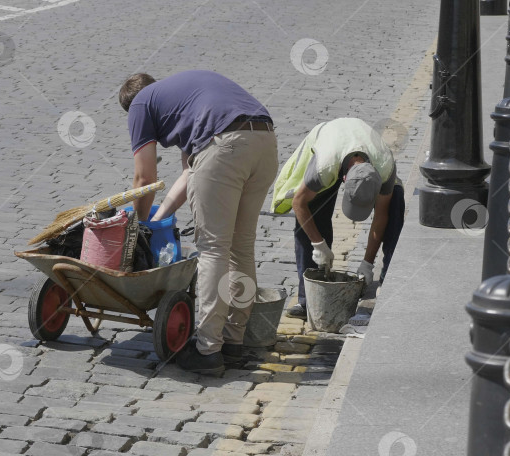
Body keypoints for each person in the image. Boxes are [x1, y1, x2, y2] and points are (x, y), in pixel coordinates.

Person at [119, 70, 278, 375]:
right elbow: (191, 172)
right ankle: (233, 342)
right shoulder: (184, 98)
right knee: (241, 249)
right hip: (264, 141)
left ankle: (207, 349)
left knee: (213, 248)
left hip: (225, 145)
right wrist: (161, 213)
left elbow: (144, 178)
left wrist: (138, 228)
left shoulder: (139, 104)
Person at [271, 117, 405, 321]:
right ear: (344, 180)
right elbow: (299, 204)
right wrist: (319, 244)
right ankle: (307, 299)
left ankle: (388, 280)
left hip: (363, 149)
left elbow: (381, 217)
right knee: (313, 216)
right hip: (331, 144)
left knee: (395, 205)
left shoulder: (385, 167)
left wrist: (368, 263)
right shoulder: (324, 167)